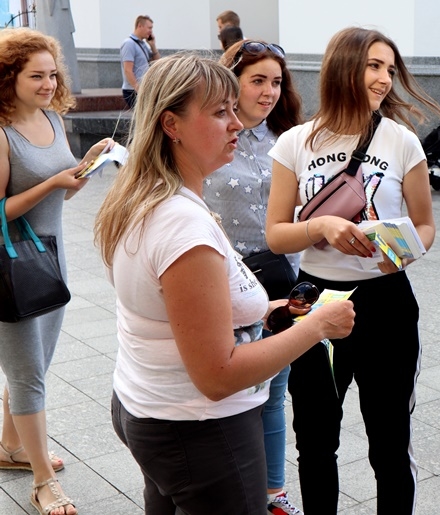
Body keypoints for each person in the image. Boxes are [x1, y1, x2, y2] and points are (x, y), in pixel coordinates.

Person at [94, 52, 355, 514]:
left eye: (234, 108)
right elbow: (217, 376)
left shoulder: (147, 197)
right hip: (199, 431)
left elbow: (173, 311)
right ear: (171, 124)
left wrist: (266, 311)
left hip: (153, 409)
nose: (237, 123)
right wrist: (317, 327)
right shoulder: (182, 225)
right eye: (220, 112)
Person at [265, 27, 440, 514]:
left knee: (390, 443)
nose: (385, 78)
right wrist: (320, 225)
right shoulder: (296, 142)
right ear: (343, 68)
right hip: (314, 299)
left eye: (390, 69)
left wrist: (405, 252)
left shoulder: (401, 141)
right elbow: (276, 234)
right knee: (315, 441)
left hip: (386, 300)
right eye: (374, 66)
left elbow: (425, 225)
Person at [0, 27, 113, 515]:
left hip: (50, 257)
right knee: (28, 373)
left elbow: (65, 190)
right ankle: (43, 482)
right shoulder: (2, 133)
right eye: (36, 76)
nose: (48, 84)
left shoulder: (51, 118)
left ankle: (11, 447)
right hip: (10, 265)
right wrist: (50, 184)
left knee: (35, 364)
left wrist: (87, 164)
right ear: (9, 78)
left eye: (52, 74)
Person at [202, 40, 304, 515]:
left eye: (276, 82)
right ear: (232, 83)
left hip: (282, 279)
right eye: (257, 80)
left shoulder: (291, 139)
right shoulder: (207, 137)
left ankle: (273, 492)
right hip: (223, 283)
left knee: (274, 393)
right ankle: (227, 492)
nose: (269, 92)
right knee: (226, 392)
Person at [119, 14, 160, 109]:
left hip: (143, 89)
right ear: (140, 26)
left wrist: (153, 45)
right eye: (149, 28)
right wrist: (139, 90)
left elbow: (157, 63)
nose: (151, 31)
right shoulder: (129, 44)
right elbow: (128, 70)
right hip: (133, 90)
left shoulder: (142, 44)